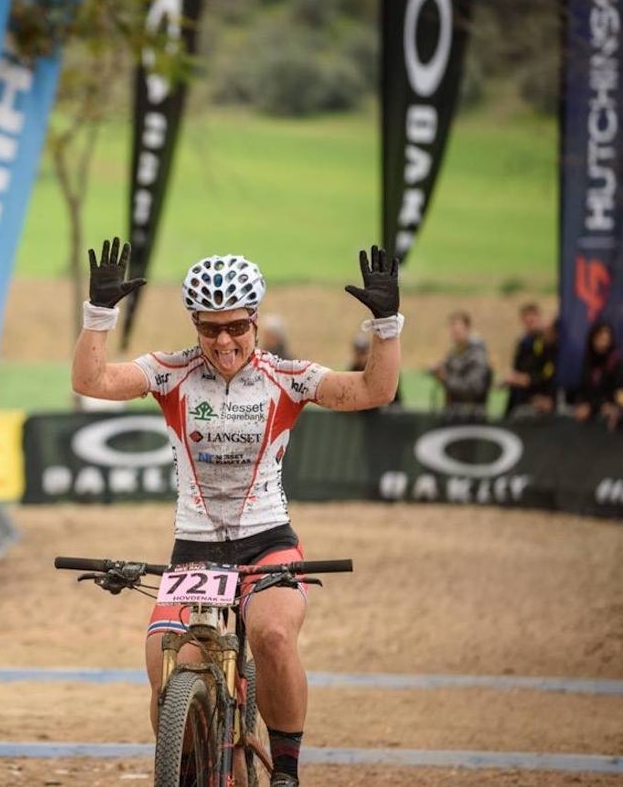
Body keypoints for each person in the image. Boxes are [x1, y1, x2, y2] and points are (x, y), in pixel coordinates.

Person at [72, 237, 402, 787]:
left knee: (272, 637)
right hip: (195, 547)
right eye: (209, 328)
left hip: (266, 540)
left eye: (236, 327)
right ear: (195, 325)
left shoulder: (287, 378)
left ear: (254, 320)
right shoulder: (171, 372)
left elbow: (375, 389)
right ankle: (189, 761)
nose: (223, 340)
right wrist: (99, 313)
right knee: (164, 670)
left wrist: (386, 324)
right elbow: (91, 381)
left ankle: (286, 772)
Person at [428, 310, 492, 419]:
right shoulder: (454, 353)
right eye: (452, 328)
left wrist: (445, 378)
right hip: (454, 413)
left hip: (471, 416)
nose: (454, 331)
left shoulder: (477, 355)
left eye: (457, 329)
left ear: (467, 329)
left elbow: (473, 389)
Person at [500, 302, 557, 419]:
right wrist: (510, 379)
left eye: (533, 319)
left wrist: (529, 380)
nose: (530, 322)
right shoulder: (523, 343)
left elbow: (549, 373)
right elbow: (517, 368)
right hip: (520, 400)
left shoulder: (547, 342)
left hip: (540, 400)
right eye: (526, 320)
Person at [570, 320, 623, 431]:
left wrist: (594, 407)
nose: (603, 341)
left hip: (611, 417)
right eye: (599, 337)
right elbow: (584, 388)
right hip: (589, 420)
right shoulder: (588, 361)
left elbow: (618, 392)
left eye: (606, 338)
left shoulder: (617, 362)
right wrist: (581, 404)